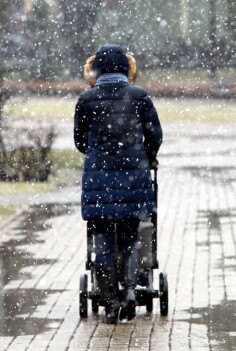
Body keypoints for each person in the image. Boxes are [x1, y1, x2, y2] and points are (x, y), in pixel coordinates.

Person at [74, 45, 162, 324]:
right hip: (133, 180)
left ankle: (109, 303)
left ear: (95, 69)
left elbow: (79, 141)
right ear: (127, 68)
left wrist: (99, 156)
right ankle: (129, 295)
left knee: (102, 242)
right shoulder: (139, 96)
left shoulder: (86, 99)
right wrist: (146, 156)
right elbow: (155, 135)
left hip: (99, 182)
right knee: (130, 239)